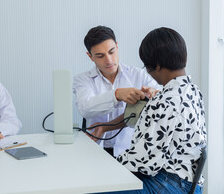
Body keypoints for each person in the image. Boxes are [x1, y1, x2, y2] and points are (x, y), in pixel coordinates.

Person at [96, 27, 207, 194]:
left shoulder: (164, 100)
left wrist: (110, 165)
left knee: (94, 187)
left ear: (157, 65)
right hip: (191, 184)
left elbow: (144, 162)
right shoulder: (192, 90)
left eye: (147, 67)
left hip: (167, 184)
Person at [73, 26, 160, 157]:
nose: (109, 60)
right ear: (90, 56)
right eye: (100, 56)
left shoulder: (139, 75)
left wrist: (153, 93)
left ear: (117, 46)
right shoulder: (83, 80)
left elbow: (162, 99)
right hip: (97, 152)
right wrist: (116, 95)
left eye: (111, 51)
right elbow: (85, 108)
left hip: (133, 152)